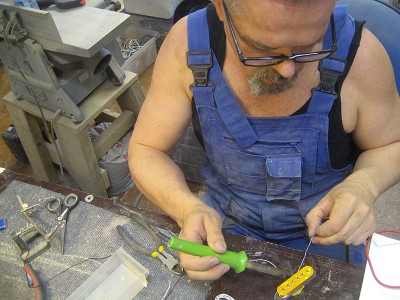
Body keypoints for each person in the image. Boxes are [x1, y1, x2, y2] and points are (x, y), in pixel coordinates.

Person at [128, 0, 400, 280]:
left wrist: (364, 184)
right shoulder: (187, 46)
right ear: (221, 8)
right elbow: (147, 150)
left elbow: (391, 144)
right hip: (222, 227)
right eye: (262, 50)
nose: (287, 70)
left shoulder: (361, 57)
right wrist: (186, 208)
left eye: (308, 49)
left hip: (327, 232)